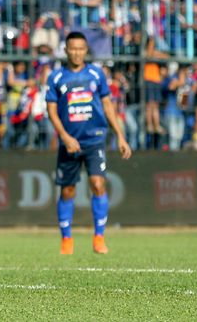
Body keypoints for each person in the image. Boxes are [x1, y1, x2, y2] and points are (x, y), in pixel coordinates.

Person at [45, 31, 132, 255]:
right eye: (72, 48)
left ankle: (99, 237)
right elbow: (51, 111)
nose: (76, 53)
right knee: (68, 191)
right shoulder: (56, 77)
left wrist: (120, 136)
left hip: (94, 139)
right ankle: (67, 240)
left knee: (98, 184)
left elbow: (107, 105)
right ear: (66, 50)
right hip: (70, 142)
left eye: (80, 49)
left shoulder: (96, 74)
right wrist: (64, 136)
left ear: (86, 50)